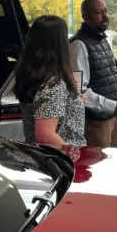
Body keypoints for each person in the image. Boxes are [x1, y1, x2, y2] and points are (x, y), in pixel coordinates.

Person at [70, 0, 117, 148]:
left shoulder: (103, 41)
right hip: (94, 125)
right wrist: (113, 106)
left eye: (106, 11)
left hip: (112, 120)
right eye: (98, 12)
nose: (105, 16)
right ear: (85, 17)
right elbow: (78, 90)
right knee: (97, 169)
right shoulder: (79, 45)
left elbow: (108, 81)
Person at [15, 15, 87, 146]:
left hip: (38, 156)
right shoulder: (53, 83)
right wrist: (71, 155)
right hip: (58, 160)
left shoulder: (35, 77)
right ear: (60, 43)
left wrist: (73, 101)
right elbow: (45, 134)